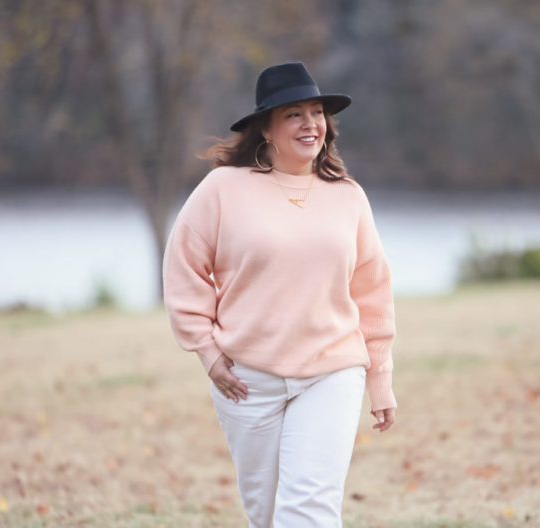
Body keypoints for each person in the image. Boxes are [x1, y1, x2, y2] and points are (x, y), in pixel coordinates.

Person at [162, 61, 396, 528]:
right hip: (247, 380)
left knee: (307, 510)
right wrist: (207, 352)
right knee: (267, 514)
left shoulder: (347, 196)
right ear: (265, 128)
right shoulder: (223, 189)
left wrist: (380, 377)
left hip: (332, 371)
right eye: (294, 114)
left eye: (317, 113)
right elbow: (184, 268)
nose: (310, 124)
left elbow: (372, 292)